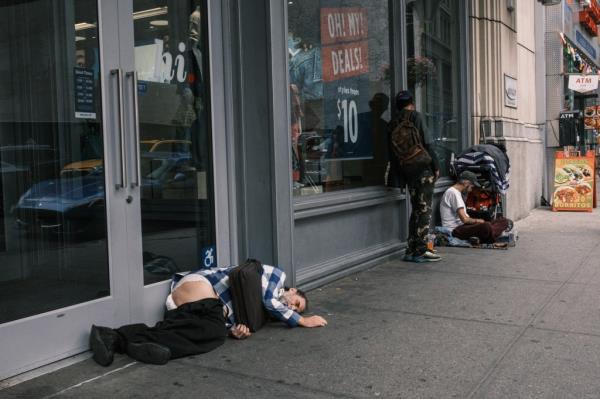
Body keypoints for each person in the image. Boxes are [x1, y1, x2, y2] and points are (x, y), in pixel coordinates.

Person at [89, 264, 327, 367]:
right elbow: (269, 300)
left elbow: (228, 320)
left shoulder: (262, 313)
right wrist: (303, 320)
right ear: (292, 290)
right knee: (212, 329)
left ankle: (121, 339)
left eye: (296, 310)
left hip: (203, 310)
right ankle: (130, 340)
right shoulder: (277, 277)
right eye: (297, 303)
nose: (293, 308)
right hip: (199, 286)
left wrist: (236, 330)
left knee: (212, 336)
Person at [387, 90, 441, 263]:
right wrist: (436, 166)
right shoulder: (416, 116)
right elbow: (428, 143)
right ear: (412, 102)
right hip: (422, 168)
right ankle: (421, 250)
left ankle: (411, 248)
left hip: (407, 170)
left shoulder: (392, 122)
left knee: (415, 208)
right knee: (424, 209)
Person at [440, 171, 511, 244]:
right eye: (472, 186)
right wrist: (478, 221)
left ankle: (487, 235)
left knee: (504, 221)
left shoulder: (456, 193)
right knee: (486, 226)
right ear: (466, 183)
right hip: (456, 230)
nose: (472, 189)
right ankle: (488, 236)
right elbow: (464, 219)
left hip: (464, 226)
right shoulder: (453, 193)